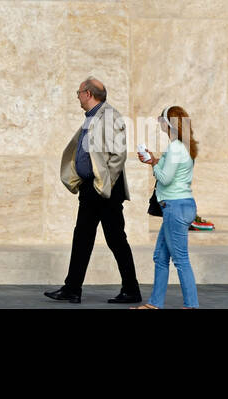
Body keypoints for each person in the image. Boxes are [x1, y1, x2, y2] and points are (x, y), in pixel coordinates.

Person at [47, 76, 141, 304]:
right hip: (92, 188)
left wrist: (103, 184)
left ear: (88, 94)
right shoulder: (92, 118)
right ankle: (72, 288)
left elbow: (118, 155)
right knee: (82, 237)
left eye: (78, 92)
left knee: (115, 238)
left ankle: (131, 290)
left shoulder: (109, 116)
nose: (77, 97)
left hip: (104, 189)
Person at [135, 106, 199, 309]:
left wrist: (154, 166)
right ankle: (154, 304)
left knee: (180, 260)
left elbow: (165, 178)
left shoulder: (176, 147)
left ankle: (191, 305)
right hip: (180, 205)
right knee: (160, 257)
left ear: (169, 123)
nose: (158, 121)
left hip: (175, 206)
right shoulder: (184, 146)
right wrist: (153, 160)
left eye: (161, 118)